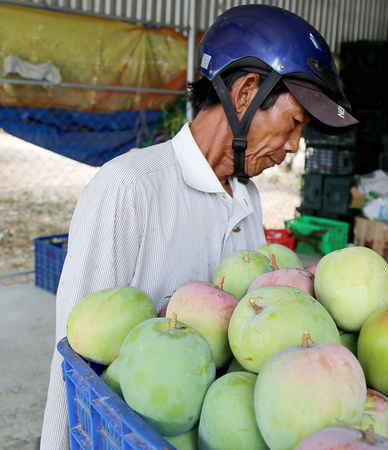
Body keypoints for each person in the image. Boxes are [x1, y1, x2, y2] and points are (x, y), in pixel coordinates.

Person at [39, 5, 357, 448]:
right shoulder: (129, 188)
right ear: (246, 91)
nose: (292, 147)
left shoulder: (248, 197)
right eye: (294, 123)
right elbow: (77, 356)